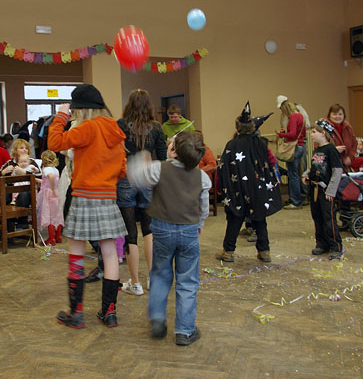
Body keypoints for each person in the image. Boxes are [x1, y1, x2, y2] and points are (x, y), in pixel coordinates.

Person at [47, 83, 127, 329]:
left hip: (84, 195)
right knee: (110, 254)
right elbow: (122, 169)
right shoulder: (115, 130)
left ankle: (76, 313)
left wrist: (61, 116)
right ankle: (109, 312)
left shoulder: (87, 128)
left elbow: (55, 143)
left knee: (76, 253)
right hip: (107, 197)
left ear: (81, 109)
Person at [126, 130, 211, 346]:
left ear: (174, 152)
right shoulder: (202, 177)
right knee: (188, 280)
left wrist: (141, 160)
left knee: (160, 274)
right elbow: (204, 207)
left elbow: (134, 177)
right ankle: (185, 331)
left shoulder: (158, 169)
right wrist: (200, 224)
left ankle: (157, 318)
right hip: (189, 230)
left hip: (162, 230)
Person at [216, 102, 282, 263]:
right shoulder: (260, 143)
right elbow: (270, 163)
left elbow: (222, 168)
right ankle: (264, 251)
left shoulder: (232, 144)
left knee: (235, 219)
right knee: (259, 219)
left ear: (237, 127)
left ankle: (228, 251)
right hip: (257, 187)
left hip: (237, 187)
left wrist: (220, 187)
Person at [117, 89, 167, 296]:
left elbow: (114, 153)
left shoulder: (120, 125)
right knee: (149, 230)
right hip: (148, 179)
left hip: (125, 179)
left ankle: (135, 283)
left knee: (130, 233)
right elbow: (162, 158)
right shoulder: (156, 128)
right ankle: (153, 279)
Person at [302, 120, 344, 260]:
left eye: (314, 132)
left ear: (323, 133)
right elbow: (314, 166)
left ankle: (335, 246)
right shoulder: (317, 150)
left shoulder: (331, 150)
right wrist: (307, 174)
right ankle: (321, 243)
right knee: (317, 216)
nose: (312, 135)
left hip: (326, 190)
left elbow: (337, 171)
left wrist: (331, 191)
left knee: (328, 218)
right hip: (314, 189)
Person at [278, 99, 306, 209]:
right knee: (295, 174)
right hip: (301, 145)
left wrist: (281, 134)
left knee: (293, 175)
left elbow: (293, 134)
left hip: (294, 147)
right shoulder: (301, 116)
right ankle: (297, 199)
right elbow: (302, 133)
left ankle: (295, 201)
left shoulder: (293, 117)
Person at [38, 150, 64, 246]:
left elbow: (51, 177)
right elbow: (48, 180)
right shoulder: (55, 169)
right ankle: (58, 236)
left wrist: (52, 189)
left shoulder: (46, 169)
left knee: (48, 216)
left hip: (48, 195)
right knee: (56, 215)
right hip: (56, 194)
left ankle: (51, 238)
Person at [326, 104, 357, 168]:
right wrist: (334, 150)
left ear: (344, 116)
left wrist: (350, 157)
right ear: (329, 115)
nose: (337, 116)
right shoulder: (324, 127)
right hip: (329, 164)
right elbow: (319, 147)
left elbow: (354, 143)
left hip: (345, 165)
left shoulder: (348, 127)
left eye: (340, 114)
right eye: (334, 114)